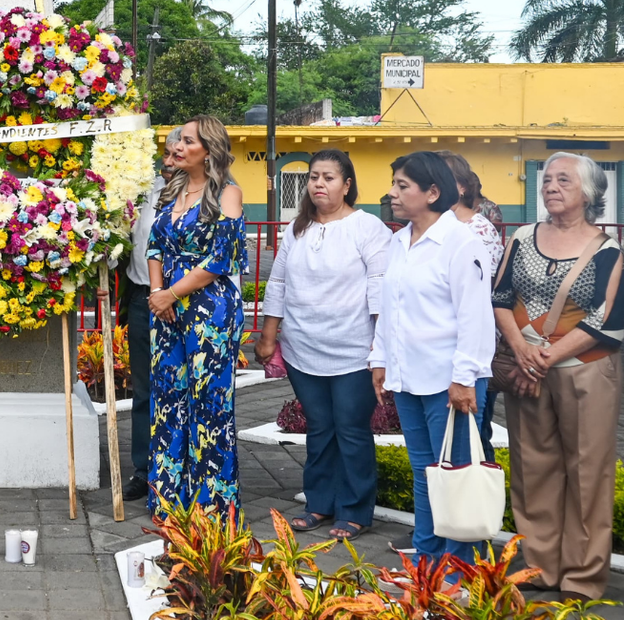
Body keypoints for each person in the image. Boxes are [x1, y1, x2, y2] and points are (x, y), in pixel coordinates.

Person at [493, 152, 623, 601]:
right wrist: (522, 351)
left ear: (588, 192)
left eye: (563, 180)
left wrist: (543, 359)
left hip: (584, 372)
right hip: (526, 365)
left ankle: (583, 578)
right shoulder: (523, 238)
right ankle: (540, 568)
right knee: (532, 468)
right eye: (547, 179)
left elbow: (609, 317)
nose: (551, 186)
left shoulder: (608, 250)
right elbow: (501, 295)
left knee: (588, 471)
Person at [256, 149, 390, 540]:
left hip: (354, 350)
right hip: (303, 348)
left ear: (347, 185)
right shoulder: (296, 228)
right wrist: (269, 335)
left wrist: (380, 349)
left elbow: (380, 290)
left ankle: (355, 510)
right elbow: (278, 283)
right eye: (314, 176)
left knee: (350, 429)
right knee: (319, 428)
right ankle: (319, 504)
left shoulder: (368, 229)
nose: (318, 184)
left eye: (329, 177)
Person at [370, 151, 495, 567]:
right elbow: (391, 308)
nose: (392, 193)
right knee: (427, 476)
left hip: (449, 382)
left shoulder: (462, 242)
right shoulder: (398, 240)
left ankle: (458, 571)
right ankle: (428, 561)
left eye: (402, 185)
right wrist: (380, 360)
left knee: (455, 476)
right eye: (395, 184)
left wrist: (463, 378)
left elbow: (474, 317)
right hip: (408, 379)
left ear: (433, 192)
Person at [147, 115, 247, 517]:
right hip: (166, 310)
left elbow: (221, 259)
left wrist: (170, 292)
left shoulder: (228, 192)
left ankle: (213, 506)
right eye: (179, 141)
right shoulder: (172, 191)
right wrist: (158, 295)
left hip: (209, 311)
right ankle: (169, 500)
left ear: (209, 149)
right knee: (169, 401)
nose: (179, 147)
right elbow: (154, 247)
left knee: (209, 406)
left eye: (188, 141)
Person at [121, 127, 179, 503]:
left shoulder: (213, 193)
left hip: (186, 303)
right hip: (144, 298)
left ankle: (177, 469)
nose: (170, 161)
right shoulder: (146, 190)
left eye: (179, 152)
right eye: (168, 153)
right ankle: (144, 470)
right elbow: (128, 239)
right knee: (144, 390)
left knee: (179, 388)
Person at [439, 150, 503, 462]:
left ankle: (481, 503)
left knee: (474, 436)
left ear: (461, 188)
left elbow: (479, 294)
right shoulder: (431, 227)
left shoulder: (477, 229)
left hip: (472, 346)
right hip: (440, 346)